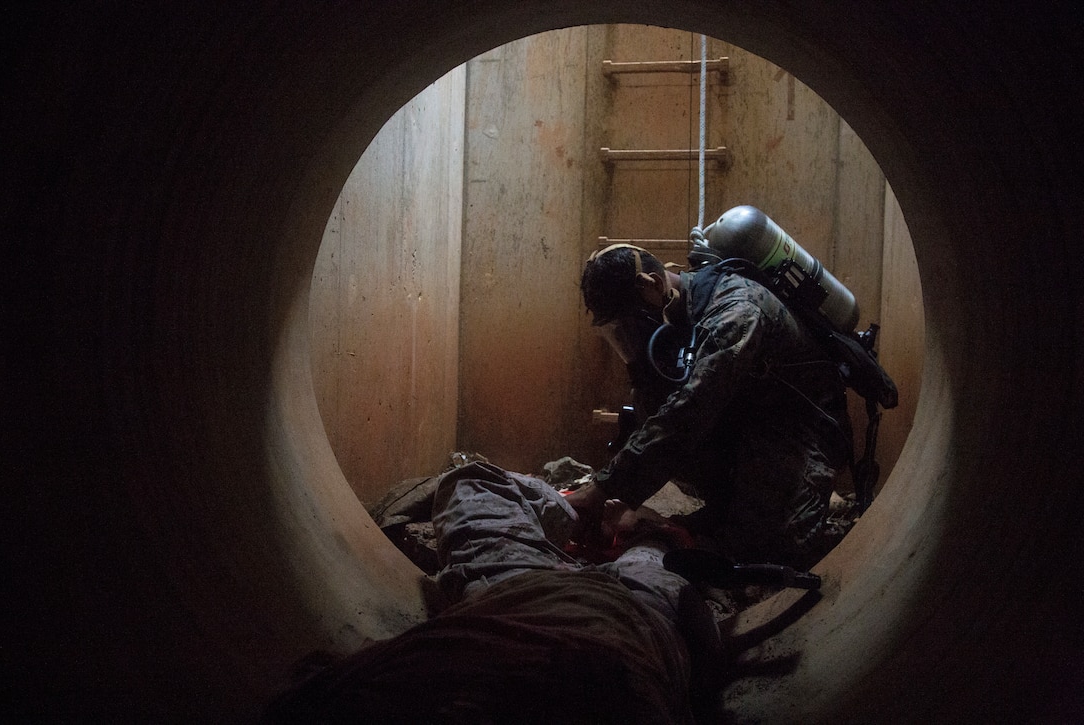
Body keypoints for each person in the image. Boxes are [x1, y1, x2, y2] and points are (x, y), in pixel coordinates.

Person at [262, 461, 716, 724]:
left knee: (471, 480)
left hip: (524, 593)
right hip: (624, 621)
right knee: (652, 559)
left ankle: (585, 512)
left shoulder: (353, 700)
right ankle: (646, 534)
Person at [567, 243, 853, 571]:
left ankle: (797, 494)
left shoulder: (738, 308)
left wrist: (600, 491)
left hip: (805, 433)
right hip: (750, 427)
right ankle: (731, 507)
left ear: (655, 285)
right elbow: (664, 414)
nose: (628, 336)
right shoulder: (672, 318)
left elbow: (691, 410)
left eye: (628, 323)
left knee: (774, 553)